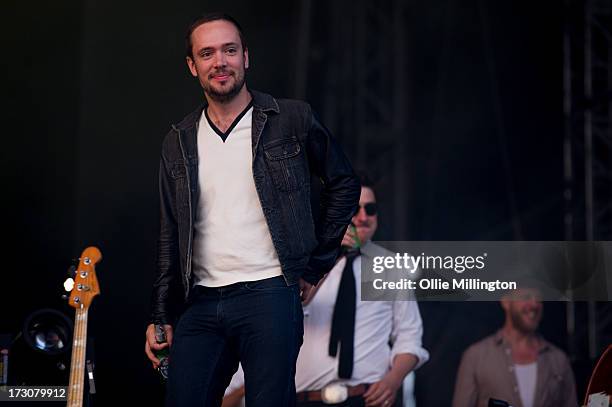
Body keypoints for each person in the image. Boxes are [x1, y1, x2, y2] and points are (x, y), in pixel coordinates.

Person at [144, 12, 360, 407]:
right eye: (206, 54)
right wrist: (161, 315)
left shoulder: (290, 118)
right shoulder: (178, 140)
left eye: (229, 50)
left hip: (270, 294)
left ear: (246, 57)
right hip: (202, 301)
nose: (219, 62)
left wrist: (315, 266)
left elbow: (344, 183)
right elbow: (168, 231)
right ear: (193, 67)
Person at [294, 175, 429, 407]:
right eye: (355, 209)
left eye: (371, 209)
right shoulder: (307, 260)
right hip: (307, 399)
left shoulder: (391, 266)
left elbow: (410, 336)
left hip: (366, 398)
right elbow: (294, 306)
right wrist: (330, 254)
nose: (363, 217)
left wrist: (393, 381)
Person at [452, 288, 577, 407]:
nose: (534, 304)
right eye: (526, 297)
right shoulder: (476, 356)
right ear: (506, 302)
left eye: (538, 299)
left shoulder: (558, 359)